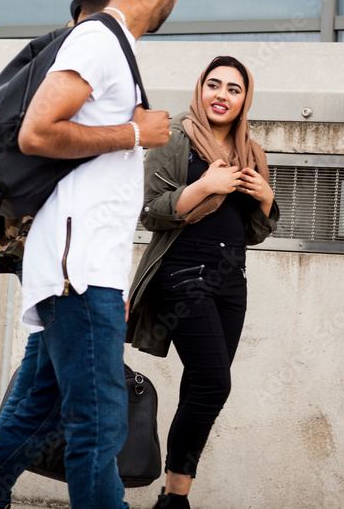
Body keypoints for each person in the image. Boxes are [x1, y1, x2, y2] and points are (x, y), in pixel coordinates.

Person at [0, 0, 187, 509]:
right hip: (79, 273)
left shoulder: (112, 42)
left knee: (34, 417)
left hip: (83, 269)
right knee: (97, 427)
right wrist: (134, 133)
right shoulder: (98, 41)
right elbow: (38, 131)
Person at [0, 0, 116, 509]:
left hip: (34, 228)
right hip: (58, 242)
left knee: (41, 384)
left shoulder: (55, 43)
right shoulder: (83, 52)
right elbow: (47, 140)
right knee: (72, 402)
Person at [127, 56, 279, 509]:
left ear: (244, 100)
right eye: (214, 85)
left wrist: (267, 200)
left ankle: (173, 498)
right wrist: (205, 185)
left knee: (200, 384)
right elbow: (150, 210)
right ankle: (175, 499)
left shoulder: (251, 151)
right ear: (200, 89)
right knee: (215, 384)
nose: (222, 95)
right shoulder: (176, 135)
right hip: (182, 271)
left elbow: (252, 231)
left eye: (233, 89)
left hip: (232, 279)